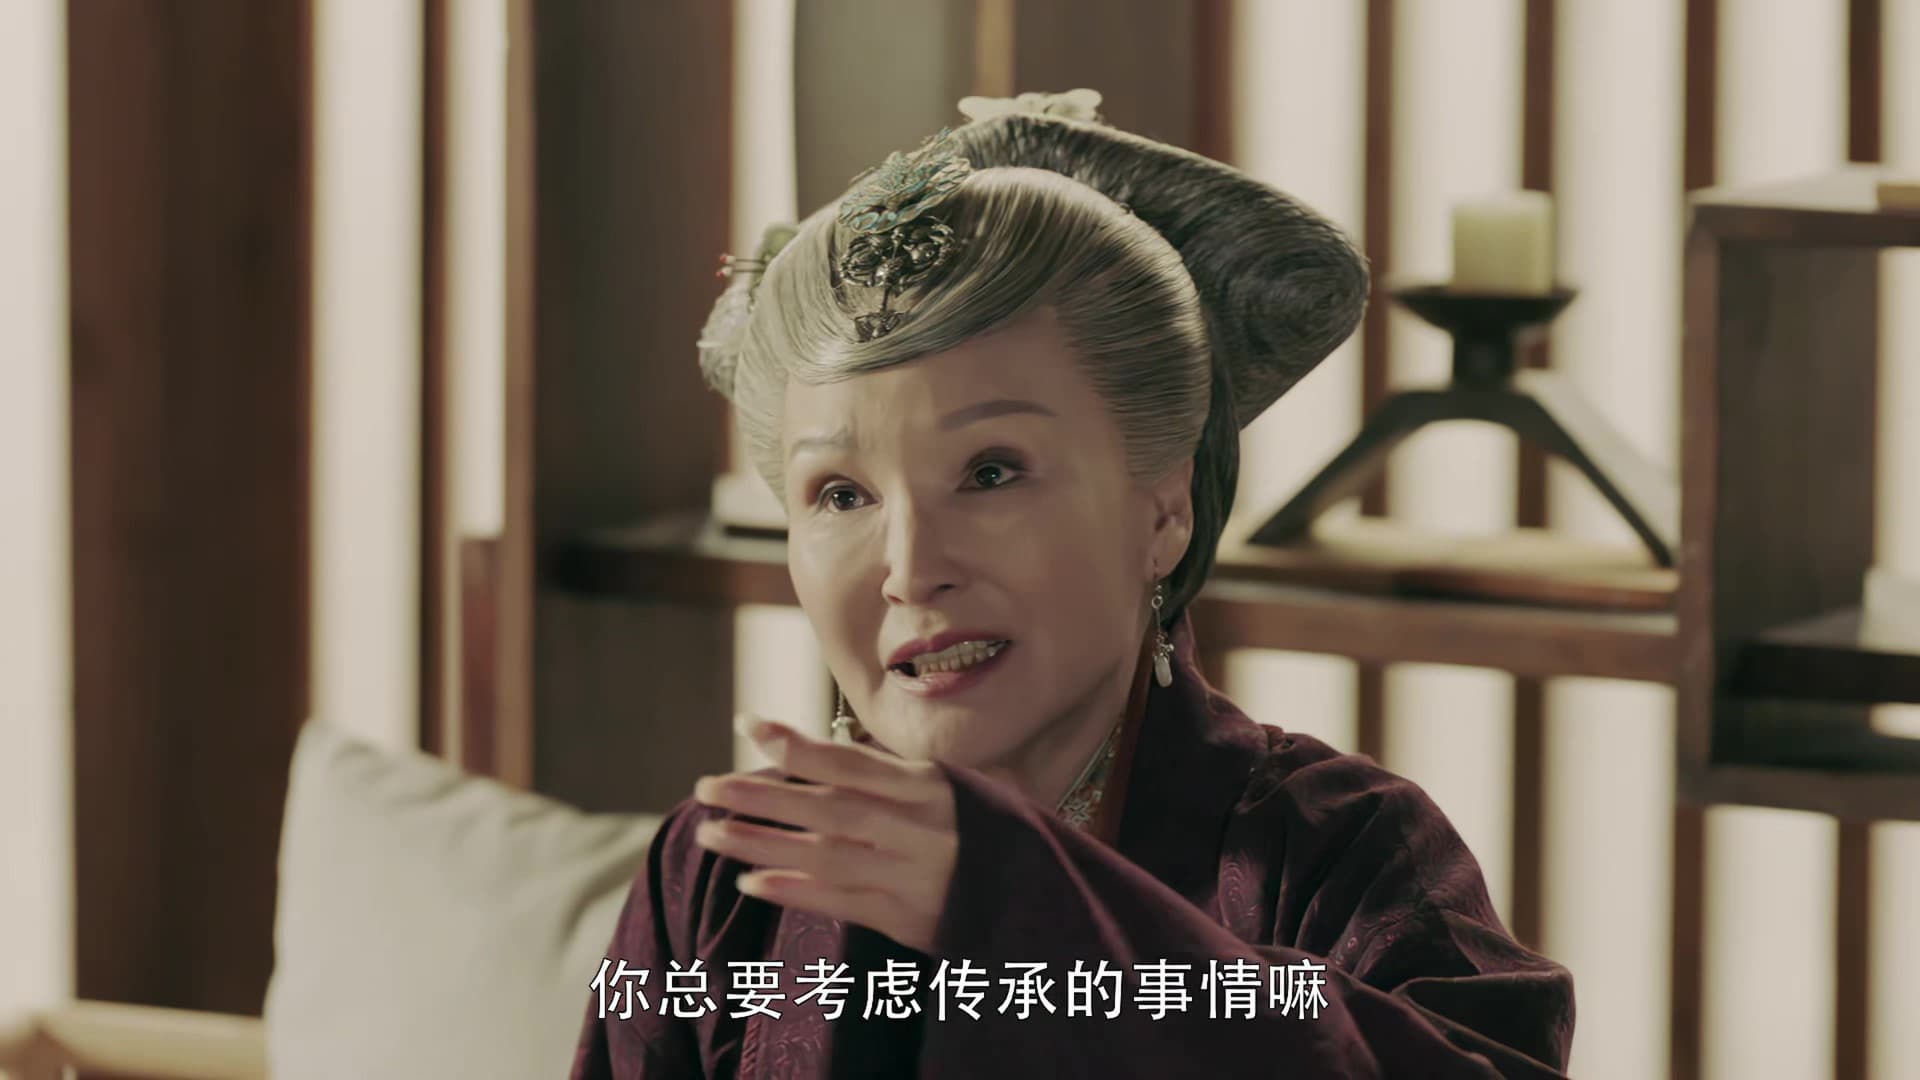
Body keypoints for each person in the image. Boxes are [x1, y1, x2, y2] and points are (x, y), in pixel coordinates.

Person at [571, 89, 1574, 1079]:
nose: (912, 569)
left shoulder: (1339, 855)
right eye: (841, 494)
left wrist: (1029, 915)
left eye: (991, 472)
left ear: (1164, 511)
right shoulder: (716, 874)